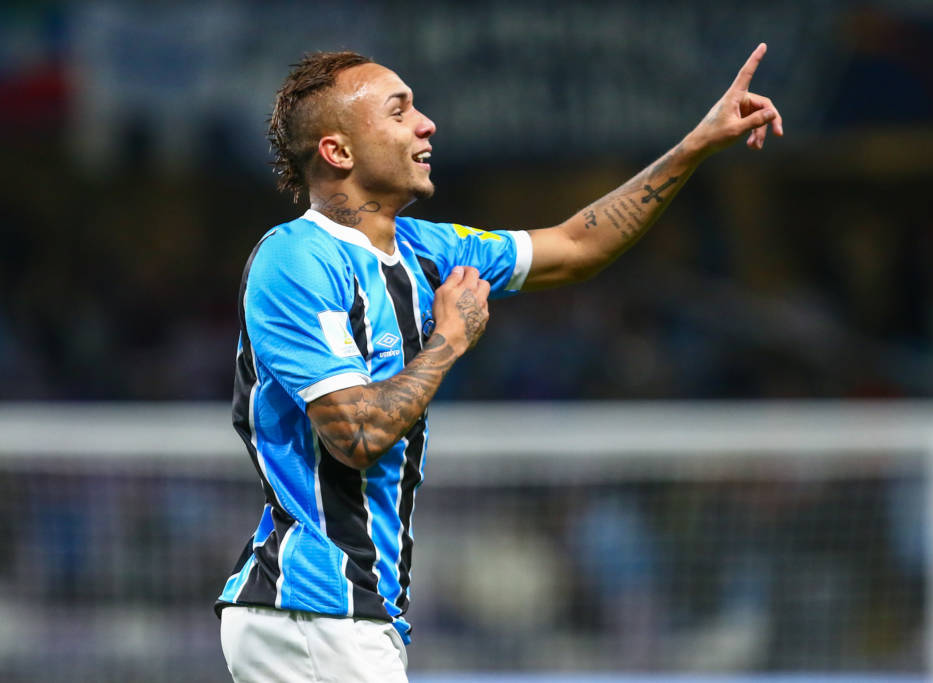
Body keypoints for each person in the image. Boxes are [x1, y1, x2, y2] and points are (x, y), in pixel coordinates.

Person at [217, 45, 782, 682]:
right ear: (337, 151)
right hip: (315, 610)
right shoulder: (297, 259)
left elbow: (575, 246)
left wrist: (695, 146)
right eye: (399, 112)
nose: (426, 124)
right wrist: (450, 340)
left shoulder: (426, 249)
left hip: (344, 616)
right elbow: (356, 434)